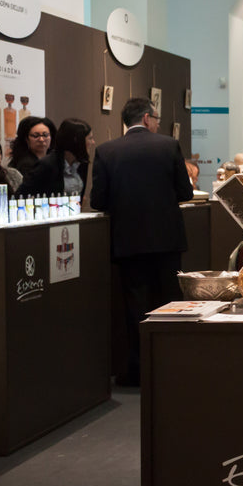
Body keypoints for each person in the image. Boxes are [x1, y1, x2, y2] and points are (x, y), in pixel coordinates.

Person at [91, 98, 194, 387]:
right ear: (147, 118)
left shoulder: (105, 151)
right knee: (170, 303)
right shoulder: (168, 146)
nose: (158, 123)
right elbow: (185, 192)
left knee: (135, 307)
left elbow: (98, 200)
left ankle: (138, 370)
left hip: (128, 240)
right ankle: (171, 365)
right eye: (157, 118)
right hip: (166, 238)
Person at [17, 118, 95, 197]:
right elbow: (21, 195)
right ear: (76, 140)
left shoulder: (82, 163)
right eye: (90, 138)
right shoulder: (47, 165)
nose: (93, 142)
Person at [7, 115, 56, 180]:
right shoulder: (26, 165)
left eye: (45, 135)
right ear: (26, 139)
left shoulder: (53, 158)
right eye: (36, 136)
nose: (41, 139)